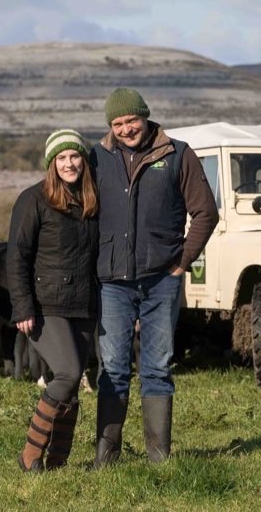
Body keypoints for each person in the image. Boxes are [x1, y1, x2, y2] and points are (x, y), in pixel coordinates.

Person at [91, 87, 219, 466]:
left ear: (145, 116)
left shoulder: (178, 154)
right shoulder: (96, 158)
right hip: (112, 282)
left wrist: (182, 261)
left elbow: (206, 213)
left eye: (132, 120)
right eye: (118, 123)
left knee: (157, 367)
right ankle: (106, 457)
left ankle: (158, 459)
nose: (126, 129)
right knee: (112, 368)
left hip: (162, 279)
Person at [8, 128, 99, 473]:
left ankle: (58, 460)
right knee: (67, 372)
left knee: (73, 384)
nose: (69, 163)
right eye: (61, 158)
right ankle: (30, 455)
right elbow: (17, 256)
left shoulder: (92, 200)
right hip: (46, 305)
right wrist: (22, 306)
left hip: (85, 303)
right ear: (51, 163)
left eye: (74, 156)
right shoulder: (33, 199)